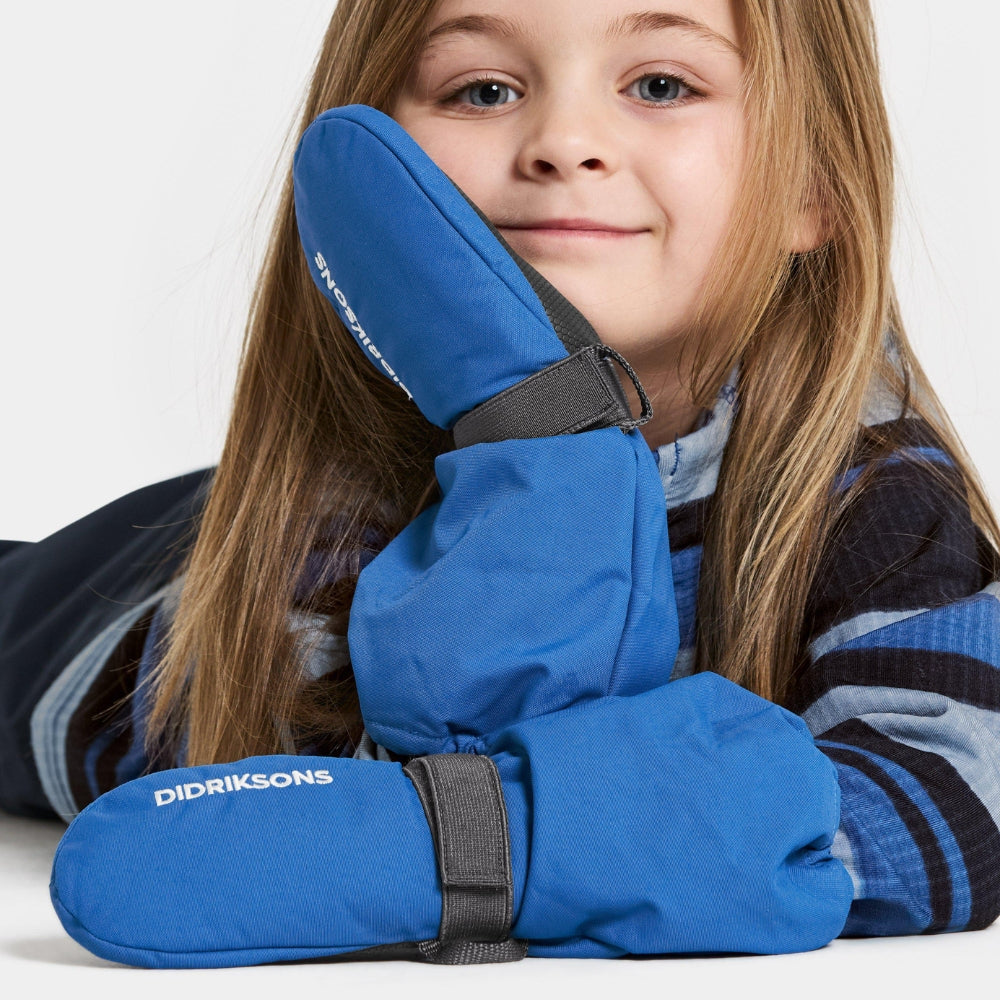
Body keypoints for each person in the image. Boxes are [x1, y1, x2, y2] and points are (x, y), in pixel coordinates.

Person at [3, 0, 1000, 946]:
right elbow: (303, 802)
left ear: (812, 185)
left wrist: (501, 847)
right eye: (483, 91)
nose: (563, 142)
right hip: (79, 603)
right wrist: (540, 445)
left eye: (659, 85)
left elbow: (946, 813)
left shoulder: (882, 495)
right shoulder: (334, 502)